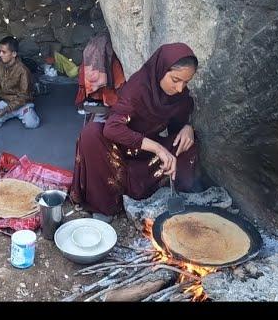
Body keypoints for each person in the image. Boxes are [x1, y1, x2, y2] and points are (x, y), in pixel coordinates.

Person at [70, 42, 200, 222]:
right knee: (91, 134)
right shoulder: (138, 88)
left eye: (186, 82)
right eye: (176, 80)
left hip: (144, 156)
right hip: (115, 152)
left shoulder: (180, 96)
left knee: (188, 143)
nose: (179, 88)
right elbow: (112, 128)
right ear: (161, 70)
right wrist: (158, 149)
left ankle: (169, 195)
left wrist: (187, 129)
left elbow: (177, 128)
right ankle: (105, 204)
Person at [0, 36, 40, 130]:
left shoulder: (23, 70)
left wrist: (7, 110)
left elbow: (24, 96)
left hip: (22, 104)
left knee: (32, 124)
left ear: (13, 54)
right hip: (5, 102)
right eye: (0, 51)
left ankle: (28, 110)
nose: (0, 54)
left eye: (4, 52)